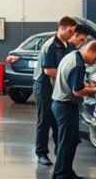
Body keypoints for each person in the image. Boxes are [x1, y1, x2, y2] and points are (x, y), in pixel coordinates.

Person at [50, 40, 96, 179]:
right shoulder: (78, 65)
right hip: (65, 105)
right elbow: (78, 91)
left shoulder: (72, 56)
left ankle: (61, 174)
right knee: (67, 144)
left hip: (60, 104)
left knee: (69, 142)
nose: (94, 63)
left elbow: (75, 84)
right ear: (91, 51)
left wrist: (90, 86)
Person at [32, 17, 77, 166]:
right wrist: (68, 77)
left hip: (58, 85)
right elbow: (49, 70)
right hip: (44, 86)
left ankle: (60, 149)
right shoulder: (49, 46)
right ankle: (41, 153)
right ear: (62, 28)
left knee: (58, 120)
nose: (72, 33)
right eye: (70, 30)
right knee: (44, 120)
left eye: (73, 31)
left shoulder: (69, 46)